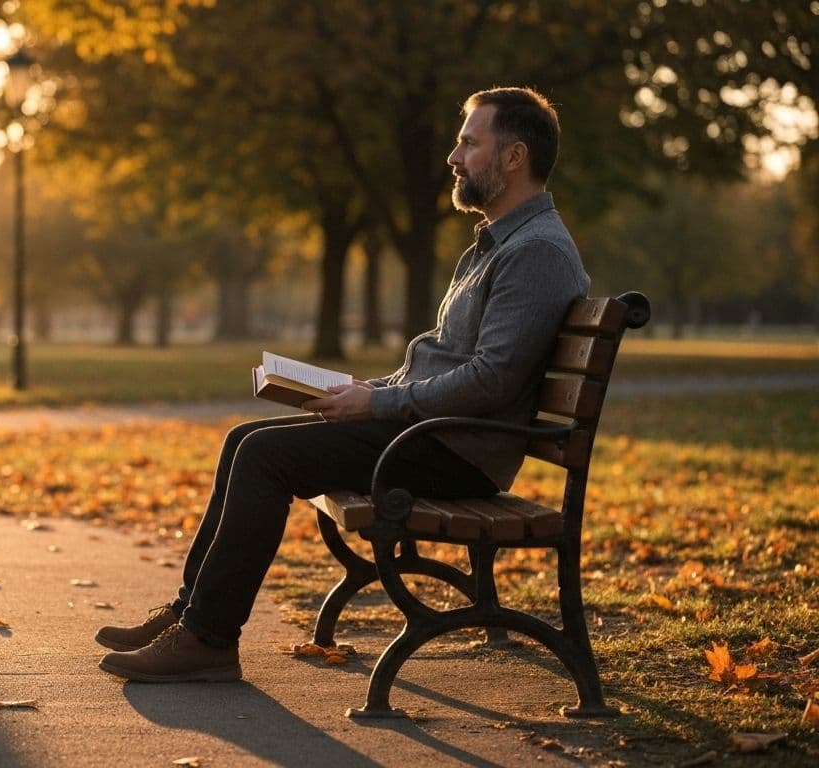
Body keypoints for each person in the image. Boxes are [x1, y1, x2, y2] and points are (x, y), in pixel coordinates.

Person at [96, 87, 590, 683]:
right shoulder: (498, 243)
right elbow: (448, 364)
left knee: (263, 455)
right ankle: (191, 612)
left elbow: (490, 380)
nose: (453, 157)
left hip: (455, 450)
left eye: (468, 142)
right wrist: (363, 390)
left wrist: (378, 402)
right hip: (432, 434)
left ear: (513, 158)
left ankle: (208, 639)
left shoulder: (535, 252)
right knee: (243, 439)